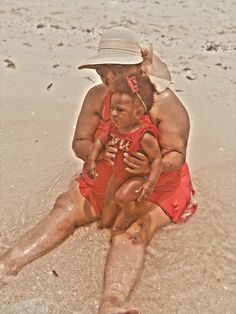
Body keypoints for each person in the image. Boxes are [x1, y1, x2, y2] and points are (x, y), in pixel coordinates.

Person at [0, 27, 197, 314]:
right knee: (66, 206)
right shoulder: (96, 97)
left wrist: (152, 165)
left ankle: (112, 303)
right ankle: (8, 264)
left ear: (139, 69)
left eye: (118, 69)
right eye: (104, 70)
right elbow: (79, 142)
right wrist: (98, 151)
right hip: (105, 178)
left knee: (131, 230)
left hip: (155, 186)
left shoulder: (165, 104)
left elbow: (177, 154)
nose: (109, 77)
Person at [87, 74, 162, 231]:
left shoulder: (144, 136)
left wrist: (150, 183)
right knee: (109, 201)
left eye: (120, 110)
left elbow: (156, 159)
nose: (113, 113)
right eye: (112, 108)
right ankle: (103, 227)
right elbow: (100, 141)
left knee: (121, 196)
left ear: (138, 113)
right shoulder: (113, 127)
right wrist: (92, 160)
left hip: (137, 178)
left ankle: (131, 213)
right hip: (117, 175)